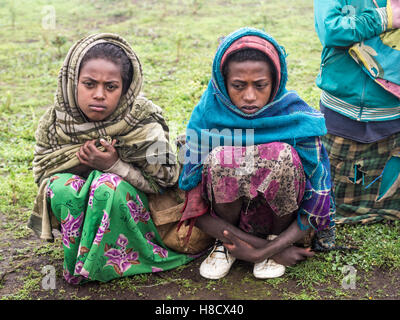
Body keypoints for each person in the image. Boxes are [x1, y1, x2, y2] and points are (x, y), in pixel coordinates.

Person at [28, 33, 194, 284]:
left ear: (125, 90)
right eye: (89, 84)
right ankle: (81, 262)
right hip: (84, 207)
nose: (99, 94)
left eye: (111, 87)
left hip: (140, 215)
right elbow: (44, 174)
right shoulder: (56, 122)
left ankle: (128, 259)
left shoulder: (141, 120)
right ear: (72, 82)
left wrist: (114, 165)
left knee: (106, 185)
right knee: (61, 187)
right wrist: (84, 162)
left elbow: (167, 181)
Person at [178, 27, 336, 280]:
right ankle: (225, 247)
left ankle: (273, 236)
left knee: (281, 154)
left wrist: (270, 247)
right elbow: (194, 204)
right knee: (222, 157)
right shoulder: (208, 117)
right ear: (222, 83)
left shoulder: (294, 119)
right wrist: (259, 250)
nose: (249, 96)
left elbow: (316, 200)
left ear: (276, 81)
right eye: (238, 86)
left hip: (284, 227)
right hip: (225, 226)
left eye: (260, 85)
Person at [314, 0, 400, 225]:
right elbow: (331, 29)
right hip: (343, 114)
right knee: (331, 199)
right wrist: (385, 18)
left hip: (394, 118)